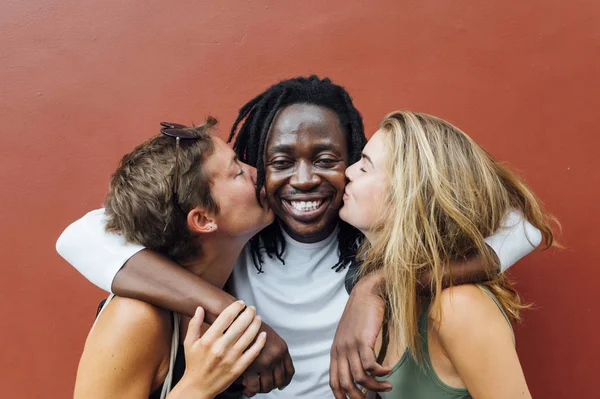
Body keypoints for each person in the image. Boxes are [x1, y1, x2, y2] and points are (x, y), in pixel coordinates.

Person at [57, 76, 541, 398]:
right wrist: (236, 315)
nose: (305, 179)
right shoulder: (235, 245)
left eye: (329, 159)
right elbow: (78, 237)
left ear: (355, 164)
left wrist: (381, 284)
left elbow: (524, 227)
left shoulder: (372, 244)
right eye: (280, 162)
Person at [337, 111, 557, 398]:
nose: (348, 172)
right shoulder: (381, 297)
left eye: (365, 168)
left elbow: (528, 230)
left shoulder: (456, 307)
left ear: (410, 195)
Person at [73, 119, 272, 398]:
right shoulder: (136, 317)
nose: (256, 173)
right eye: (238, 171)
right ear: (203, 219)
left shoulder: (232, 276)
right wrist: (198, 386)